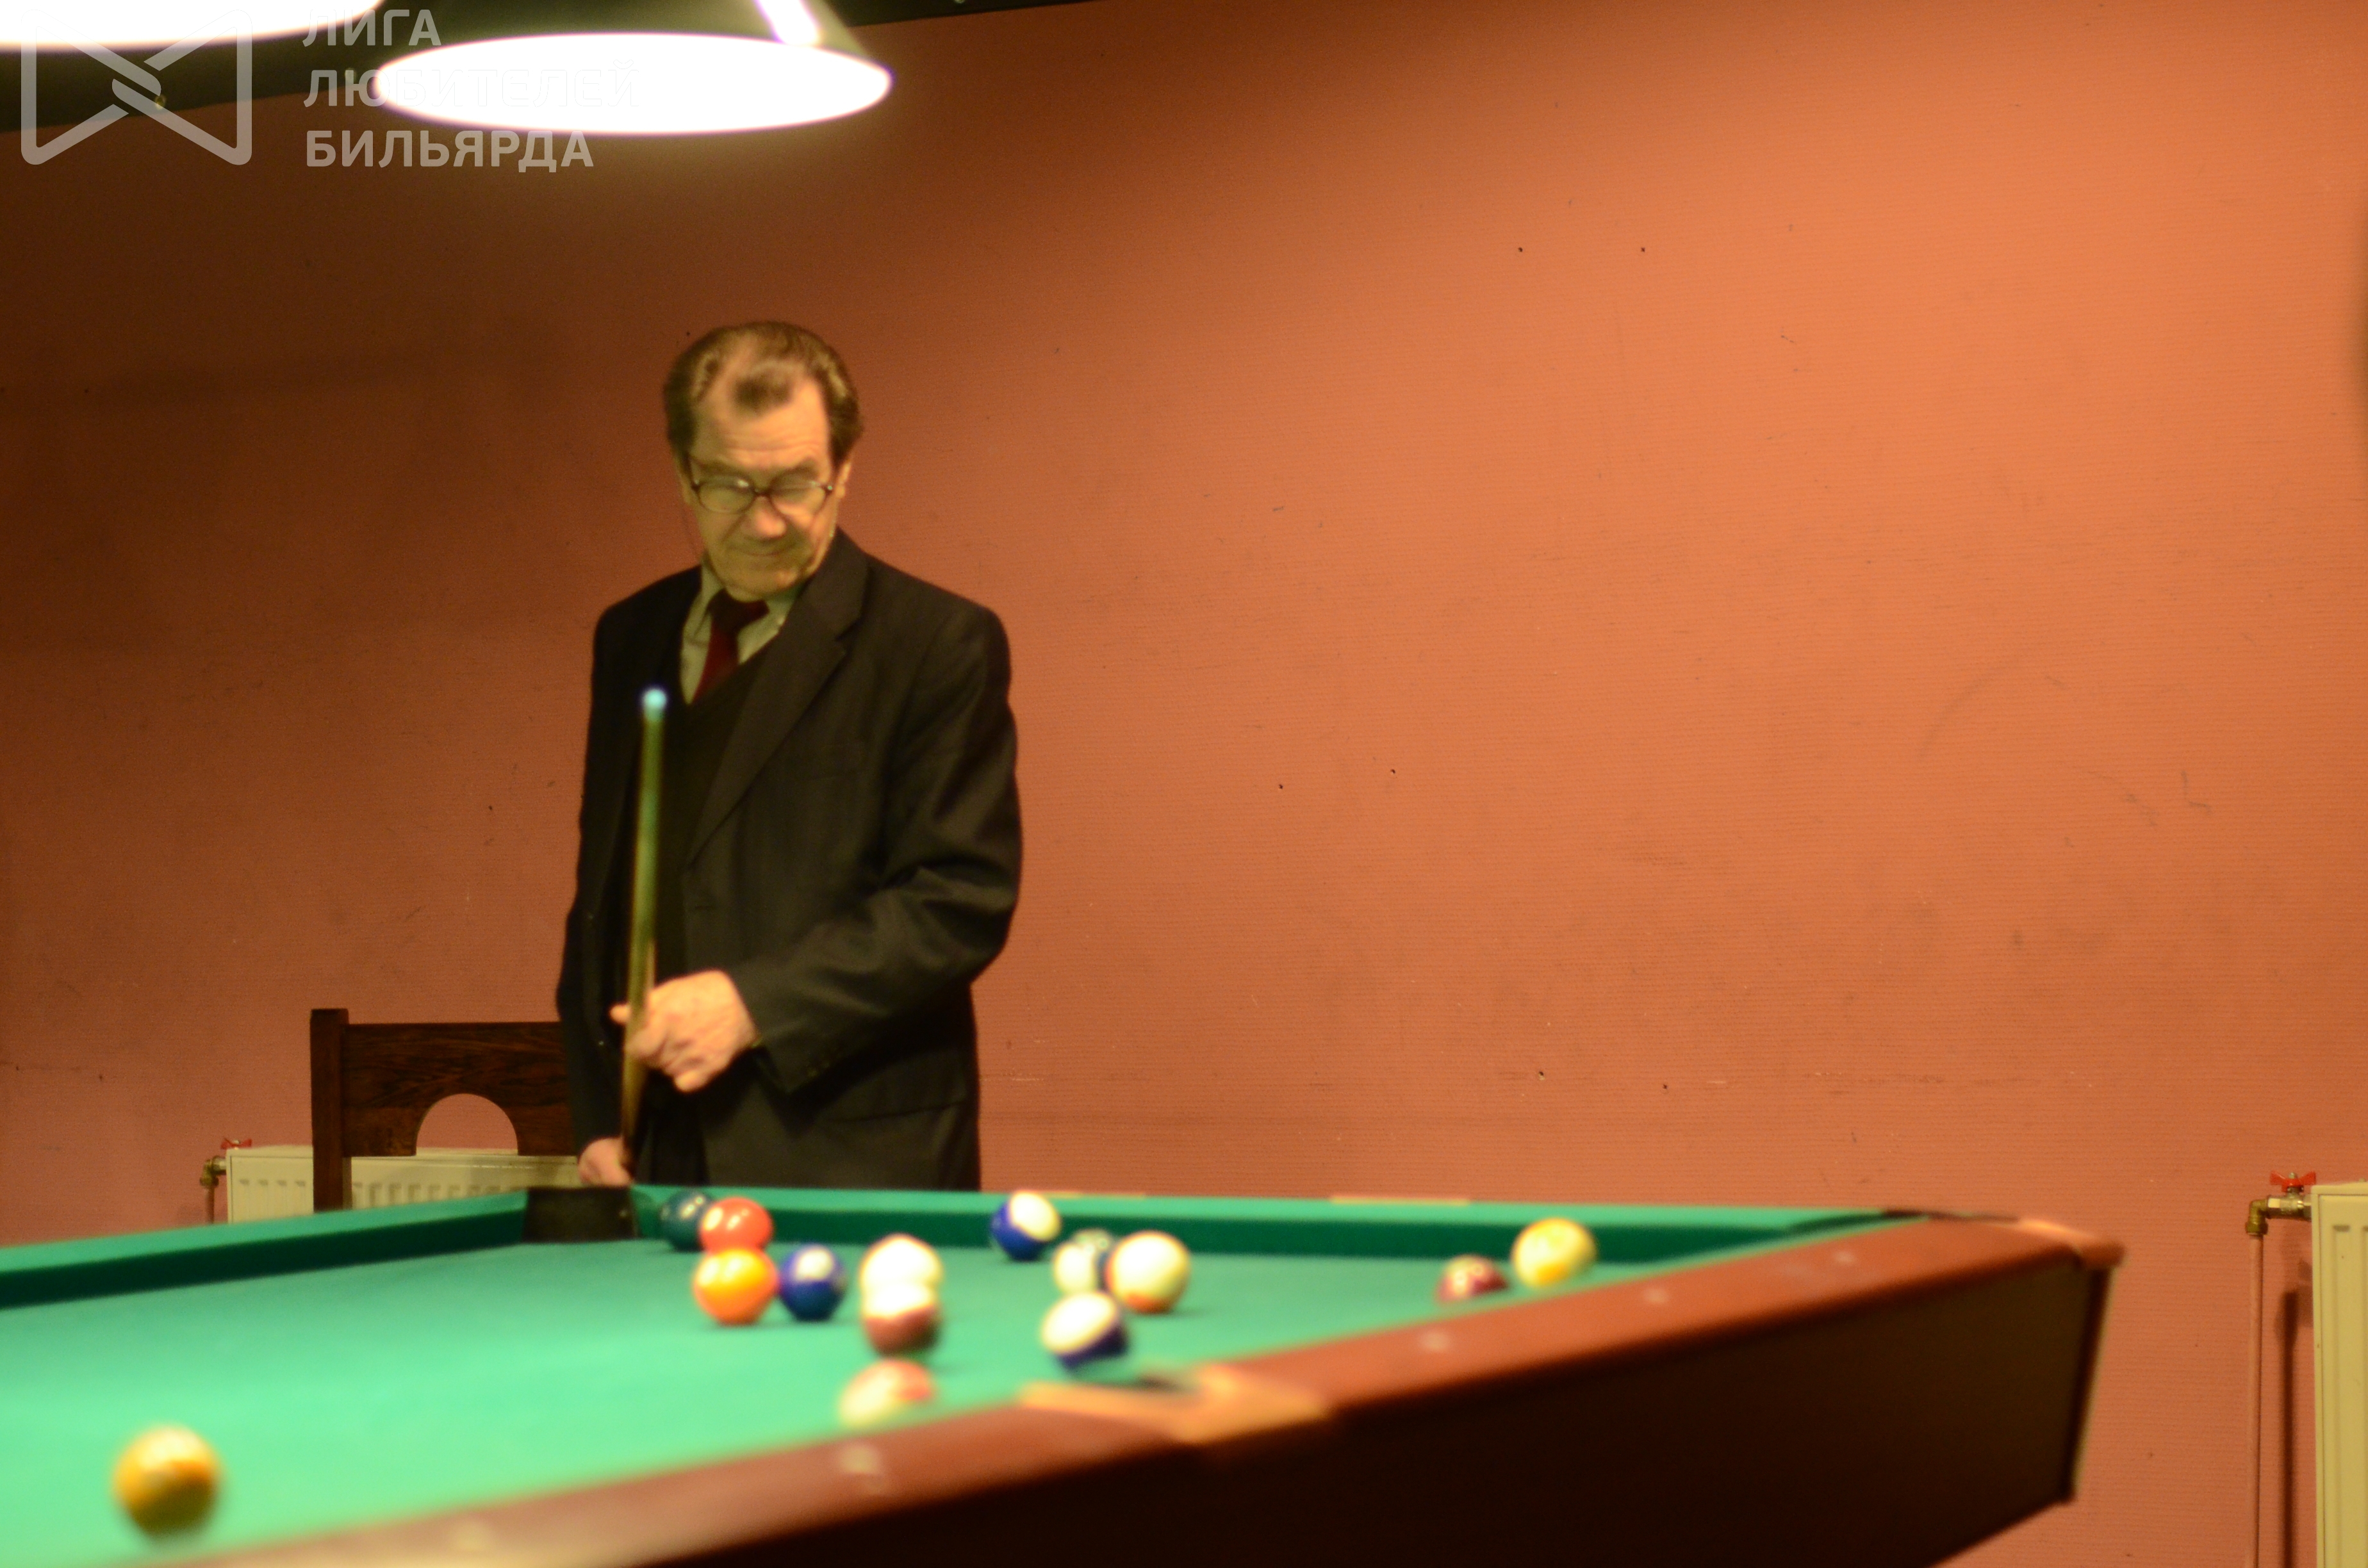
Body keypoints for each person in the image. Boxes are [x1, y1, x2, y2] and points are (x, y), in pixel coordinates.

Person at [557, 322, 1021, 1190]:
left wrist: (750, 1005)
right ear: (682, 473)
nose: (766, 521)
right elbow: (607, 894)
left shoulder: (937, 643)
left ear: (845, 469)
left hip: (855, 1160)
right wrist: (597, 1116)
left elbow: (957, 901)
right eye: (731, 485)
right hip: (659, 1149)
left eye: (797, 484)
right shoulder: (630, 635)